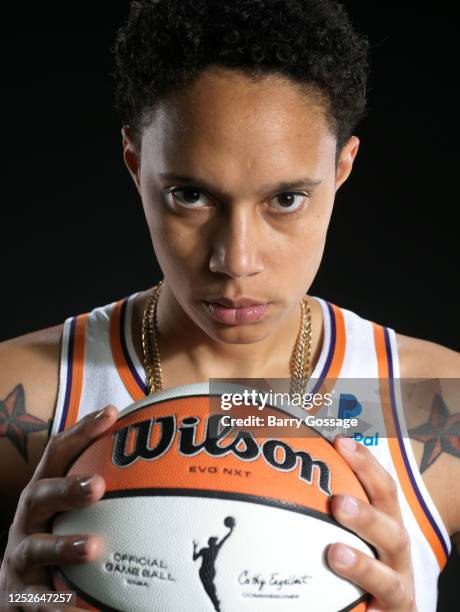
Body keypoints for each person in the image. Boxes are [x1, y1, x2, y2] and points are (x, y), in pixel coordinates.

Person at [0, 1, 459, 611]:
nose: (236, 260)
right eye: (190, 195)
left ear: (342, 168)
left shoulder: (438, 402)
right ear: (136, 166)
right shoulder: (20, 395)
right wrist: (21, 603)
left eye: (287, 199)